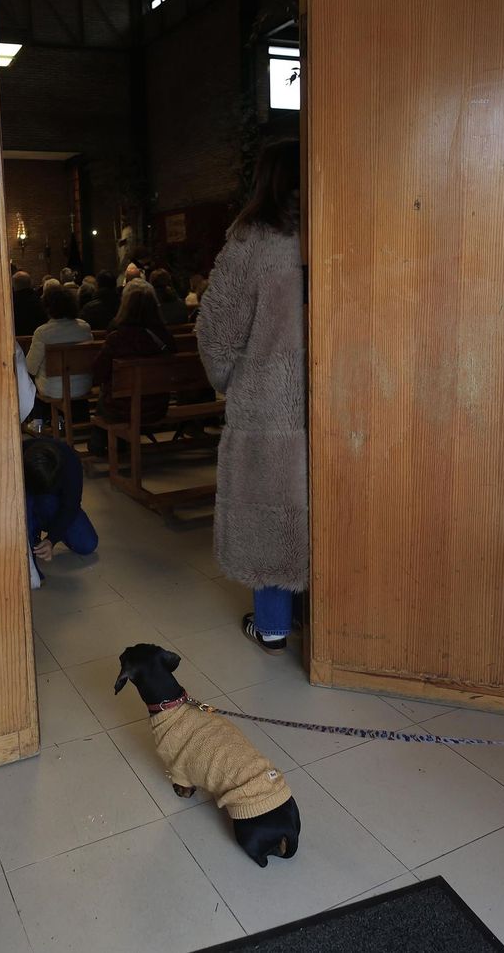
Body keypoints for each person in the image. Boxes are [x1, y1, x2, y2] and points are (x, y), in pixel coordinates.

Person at [196, 139, 306, 653]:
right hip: (335, 398)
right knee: (325, 506)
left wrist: (228, 380)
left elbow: (217, 332)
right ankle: (334, 622)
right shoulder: (342, 226)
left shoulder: (251, 240)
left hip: (269, 402)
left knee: (271, 509)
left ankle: (275, 624)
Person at [89, 282, 174, 453]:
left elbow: (97, 374)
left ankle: (99, 445)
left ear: (125, 306)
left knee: (106, 395)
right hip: (157, 406)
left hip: (122, 410)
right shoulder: (164, 336)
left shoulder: (117, 338)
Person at [23, 436, 98, 567]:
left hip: (52, 503)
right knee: (28, 504)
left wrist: (51, 539)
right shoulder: (19, 453)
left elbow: (71, 506)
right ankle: (31, 540)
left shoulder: (70, 462)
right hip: (26, 501)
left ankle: (38, 535)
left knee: (87, 544)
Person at [26, 285, 95, 424]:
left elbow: (30, 367)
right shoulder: (84, 327)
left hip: (55, 389)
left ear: (47, 307)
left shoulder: (43, 332)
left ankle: (41, 420)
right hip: (83, 386)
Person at [11, 270, 46, 336]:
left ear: (14, 285)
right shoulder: (40, 300)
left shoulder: (10, 303)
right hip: (39, 337)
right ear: (30, 283)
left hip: (17, 340)